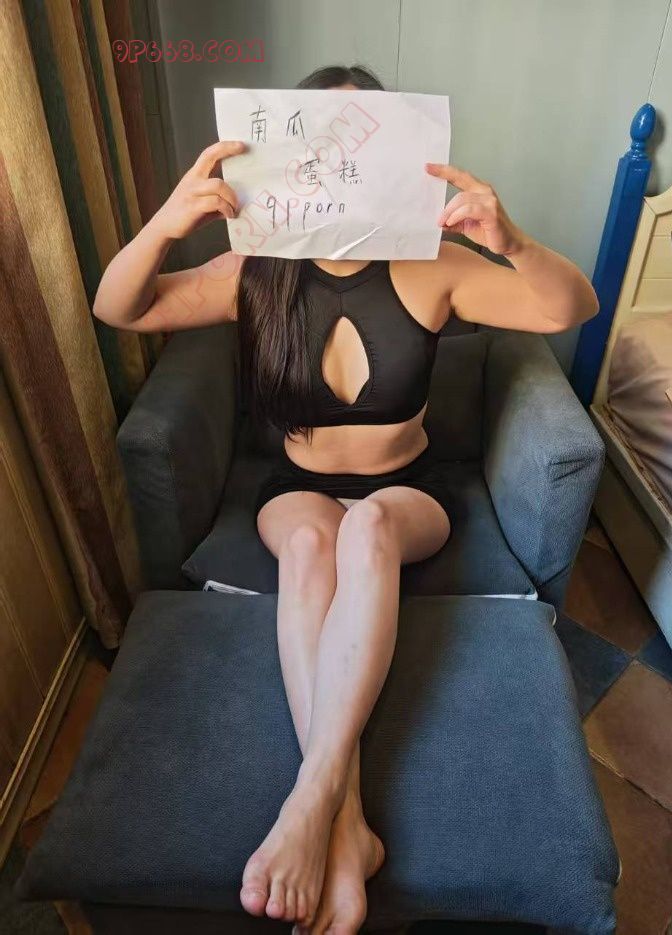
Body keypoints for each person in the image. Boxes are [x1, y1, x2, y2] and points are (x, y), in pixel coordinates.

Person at [94, 64, 599, 935]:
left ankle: (314, 796)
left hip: (407, 492)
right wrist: (168, 222)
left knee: (363, 529)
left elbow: (569, 308)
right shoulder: (255, 268)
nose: (341, 158)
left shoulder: (430, 265)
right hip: (295, 490)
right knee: (309, 544)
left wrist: (511, 240)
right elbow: (120, 307)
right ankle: (348, 827)